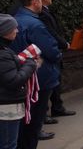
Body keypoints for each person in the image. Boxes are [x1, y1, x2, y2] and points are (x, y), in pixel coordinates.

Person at [11, 0, 62, 147]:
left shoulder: (14, 20)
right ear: (34, 2)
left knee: (22, 121)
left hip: (19, 75)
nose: (42, 2)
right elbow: (51, 51)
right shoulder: (35, 24)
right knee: (33, 124)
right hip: (38, 78)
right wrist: (58, 54)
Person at [38, 0, 76, 126]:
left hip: (54, 49)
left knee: (55, 81)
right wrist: (63, 43)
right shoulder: (42, 13)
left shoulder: (46, 11)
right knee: (49, 83)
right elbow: (51, 33)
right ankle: (45, 113)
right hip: (50, 51)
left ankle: (57, 107)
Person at [0, 14, 39, 149]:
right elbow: (13, 81)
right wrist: (30, 64)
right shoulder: (3, 54)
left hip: (6, 105)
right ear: (5, 32)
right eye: (14, 28)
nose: (17, 31)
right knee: (8, 144)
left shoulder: (5, 50)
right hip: (6, 108)